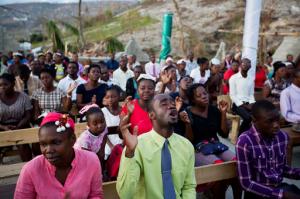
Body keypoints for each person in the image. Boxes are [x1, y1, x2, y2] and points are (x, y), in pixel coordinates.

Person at [117, 94, 196, 199]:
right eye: (164, 104)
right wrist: (130, 153)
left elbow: (188, 186)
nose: (172, 106)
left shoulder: (186, 146)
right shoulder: (137, 146)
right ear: (152, 115)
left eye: (173, 104)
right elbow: (125, 195)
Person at [14, 112, 104, 198]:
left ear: (72, 140)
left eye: (56, 142)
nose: (48, 150)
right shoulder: (31, 170)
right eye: (43, 144)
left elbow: (96, 195)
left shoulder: (91, 161)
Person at [236, 100, 300, 199]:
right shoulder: (245, 142)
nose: (276, 125)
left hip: (278, 188)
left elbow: (283, 169)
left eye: (277, 120)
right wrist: (281, 195)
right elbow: (246, 183)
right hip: (256, 193)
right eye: (269, 121)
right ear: (254, 120)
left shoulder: (282, 137)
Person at [0, 73, 33, 161]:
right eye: (0, 85)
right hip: (2, 126)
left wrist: (18, 126)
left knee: (23, 145)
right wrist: (4, 127)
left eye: (5, 84)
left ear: (13, 84)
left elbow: (28, 115)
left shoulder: (23, 97)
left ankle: (27, 168)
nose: (2, 87)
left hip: (21, 124)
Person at [229, 58, 255, 134]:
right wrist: (245, 105)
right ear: (240, 65)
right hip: (237, 105)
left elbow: (251, 94)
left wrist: (252, 103)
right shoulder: (234, 78)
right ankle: (240, 136)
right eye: (244, 63)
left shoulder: (251, 79)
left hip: (248, 104)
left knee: (258, 115)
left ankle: (250, 135)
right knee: (248, 118)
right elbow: (232, 95)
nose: (246, 65)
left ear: (250, 66)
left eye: (248, 64)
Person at [101, 86, 122, 160]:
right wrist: (111, 146)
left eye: (113, 97)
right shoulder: (102, 112)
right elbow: (102, 133)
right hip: (108, 148)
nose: (110, 99)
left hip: (123, 146)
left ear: (119, 96)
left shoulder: (124, 111)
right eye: (108, 97)